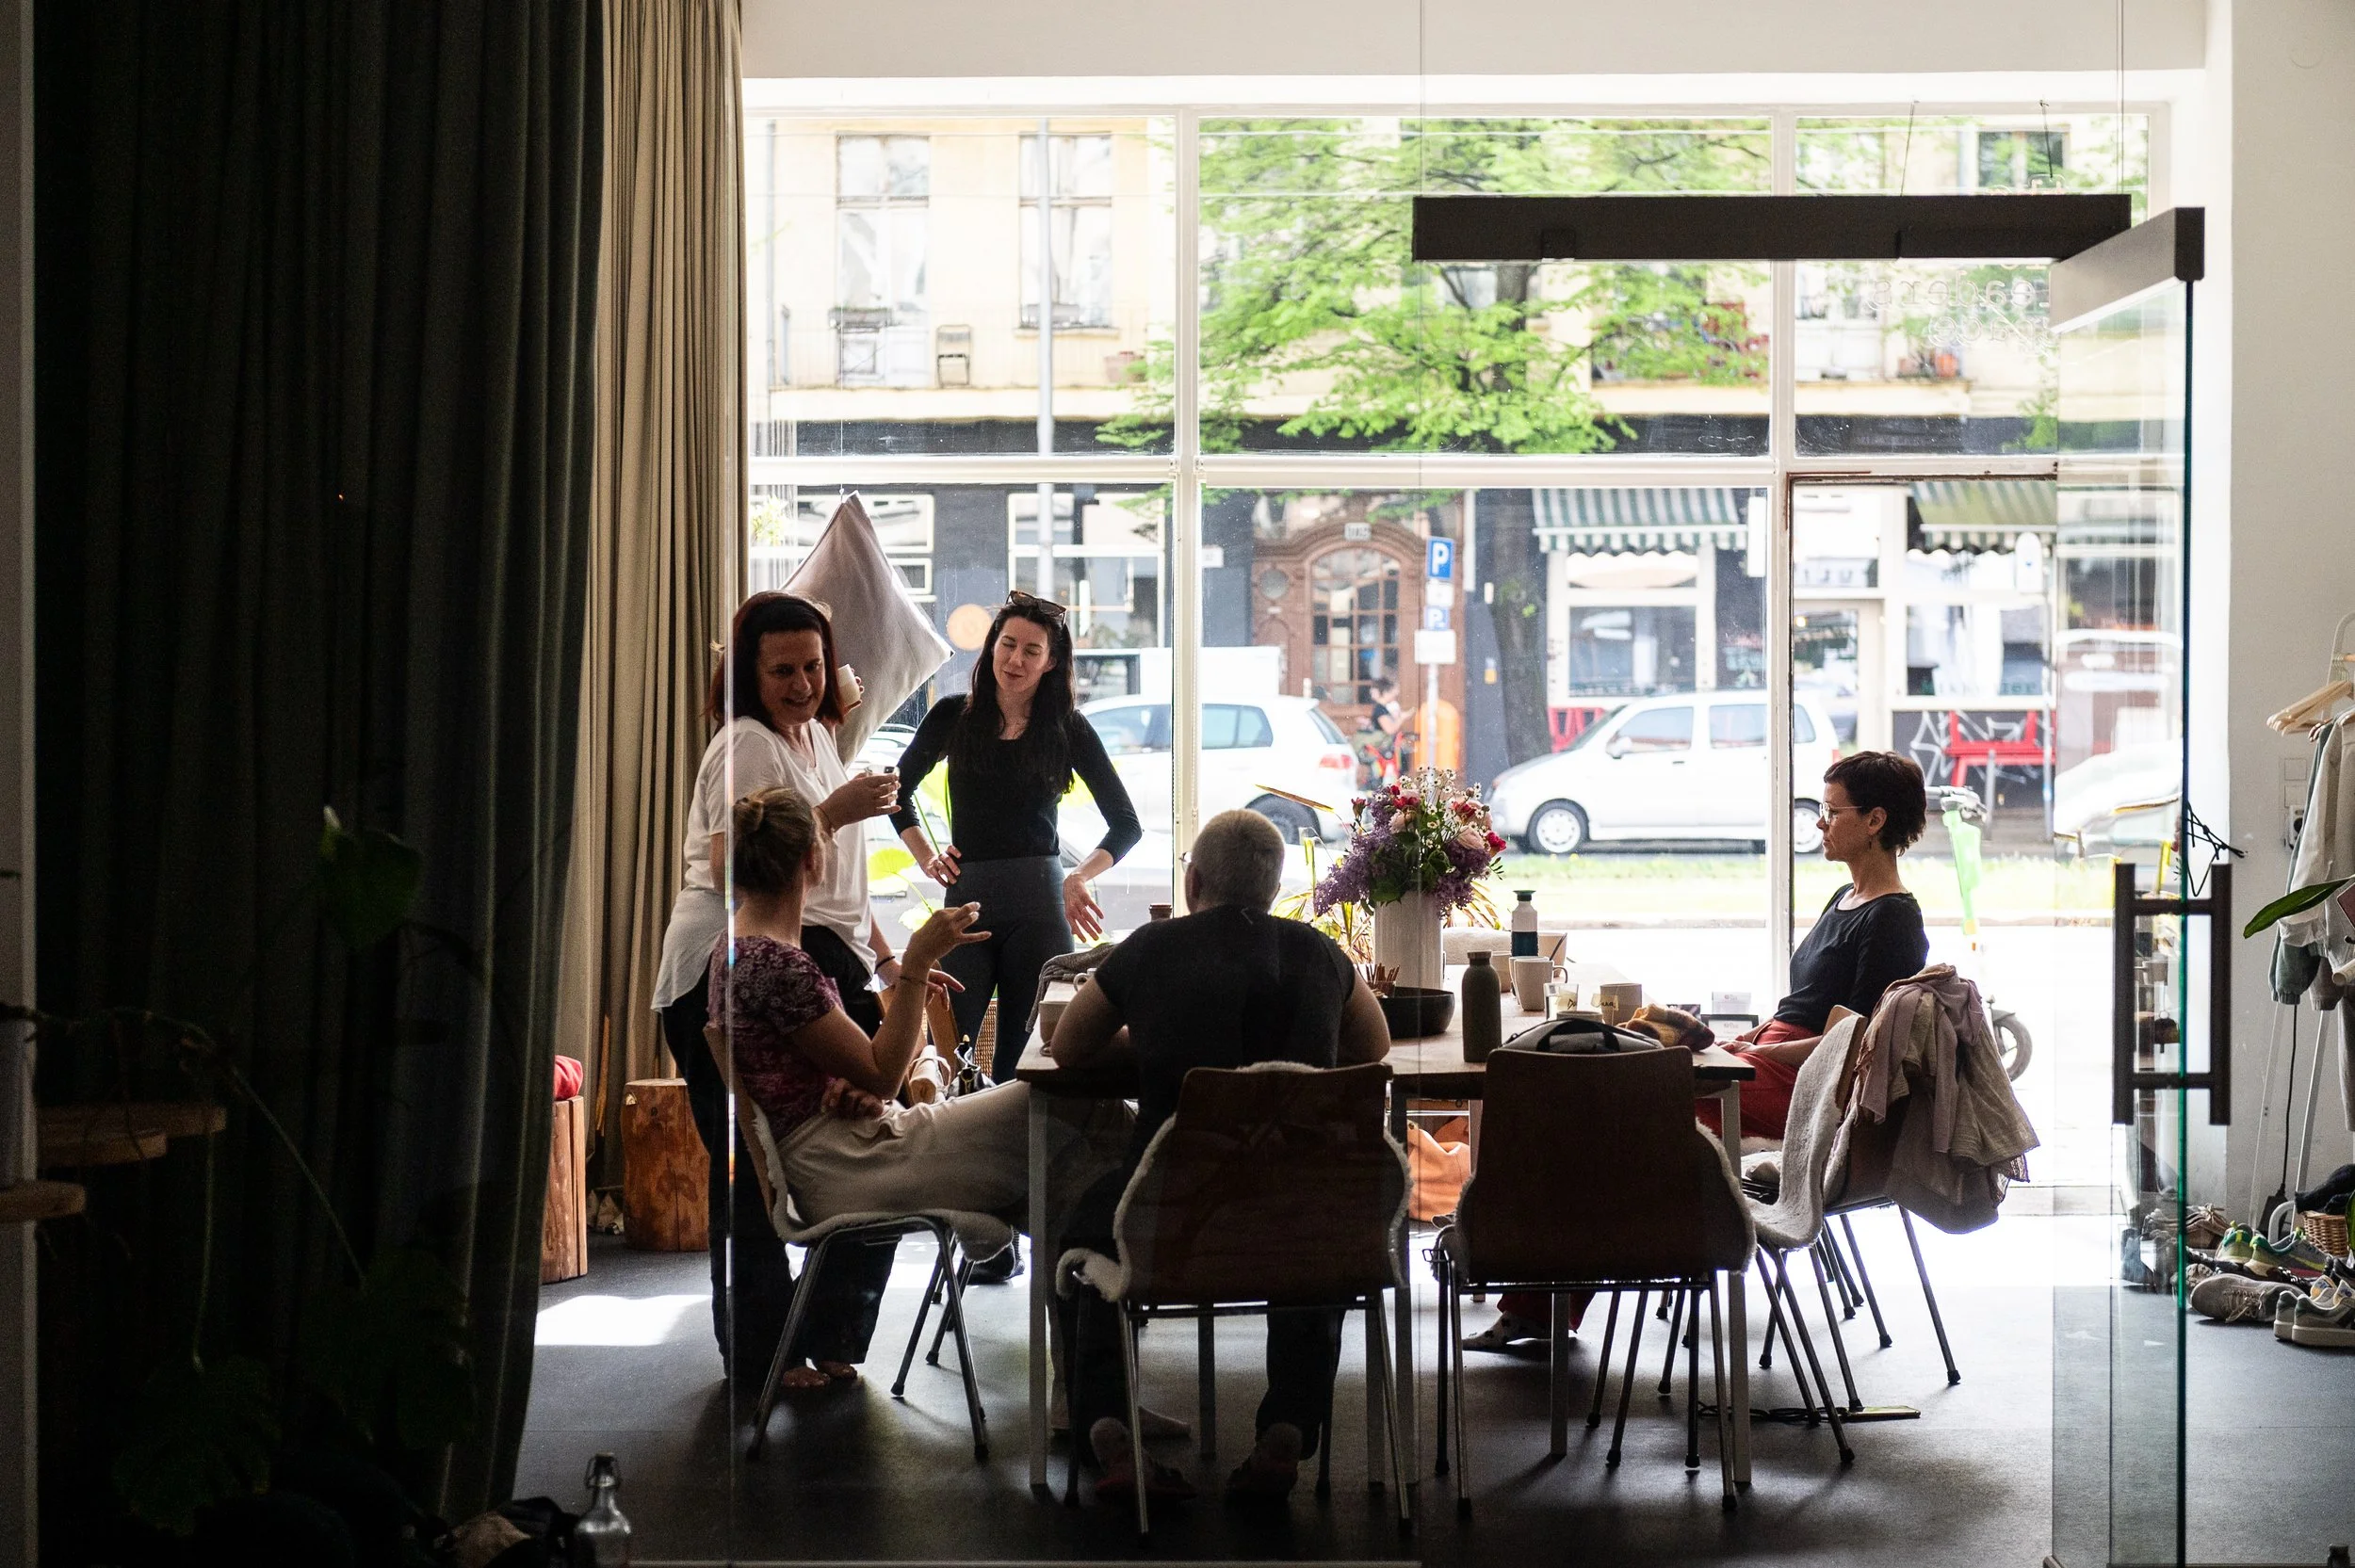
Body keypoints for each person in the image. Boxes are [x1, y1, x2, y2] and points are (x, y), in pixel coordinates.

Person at [1466, 751, 1931, 1353]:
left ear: (1874, 820)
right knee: (1607, 1098)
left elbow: (1850, 1045)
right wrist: (1749, 1040)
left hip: (1806, 1087)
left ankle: (1540, 1295)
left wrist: (1752, 1054)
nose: (1820, 822)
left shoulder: (1893, 919)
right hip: (1773, 1057)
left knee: (1619, 1114)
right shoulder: (1845, 898)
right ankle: (1540, 1290)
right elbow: (1805, 1007)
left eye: (1832, 811)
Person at [1048, 810, 1393, 1503]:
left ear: (1193, 882)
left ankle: (1109, 1428)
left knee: (1085, 1228)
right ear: (1274, 888)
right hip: (1288, 1213)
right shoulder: (1320, 953)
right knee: (1317, 1235)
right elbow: (1375, 1046)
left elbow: (1068, 1047)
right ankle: (1286, 1429)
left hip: (1168, 1216)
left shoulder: (1149, 947)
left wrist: (1151, 1038)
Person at [708, 785, 1128, 1314]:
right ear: (813, 859)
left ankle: (1090, 1314)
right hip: (849, 1164)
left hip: (842, 1149)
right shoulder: (778, 964)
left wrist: (845, 1088)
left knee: (1068, 1145)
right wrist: (917, 963)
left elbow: (809, 1072)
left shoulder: (735, 953)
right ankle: (1144, 1261)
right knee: (1060, 1104)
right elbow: (884, 1074)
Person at [650, 592, 918, 1388]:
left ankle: (829, 1330)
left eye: (812, 666)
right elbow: (737, 865)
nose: (802, 684)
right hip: (724, 967)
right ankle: (761, 1353)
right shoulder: (744, 744)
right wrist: (833, 810)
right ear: (749, 674)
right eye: (782, 671)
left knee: (869, 1133)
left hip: (817, 951)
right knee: (752, 1164)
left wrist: (887, 960)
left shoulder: (818, 735)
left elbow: (835, 885)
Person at [889, 591, 1143, 1068]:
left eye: (1032, 650)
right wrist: (926, 855)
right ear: (991, 647)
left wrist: (1079, 876)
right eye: (1007, 644)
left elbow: (1126, 825)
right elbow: (895, 791)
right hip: (967, 904)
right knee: (954, 1052)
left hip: (1040, 907)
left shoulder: (1068, 727)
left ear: (1051, 662)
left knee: (1030, 1058)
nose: (1015, 660)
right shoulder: (953, 715)